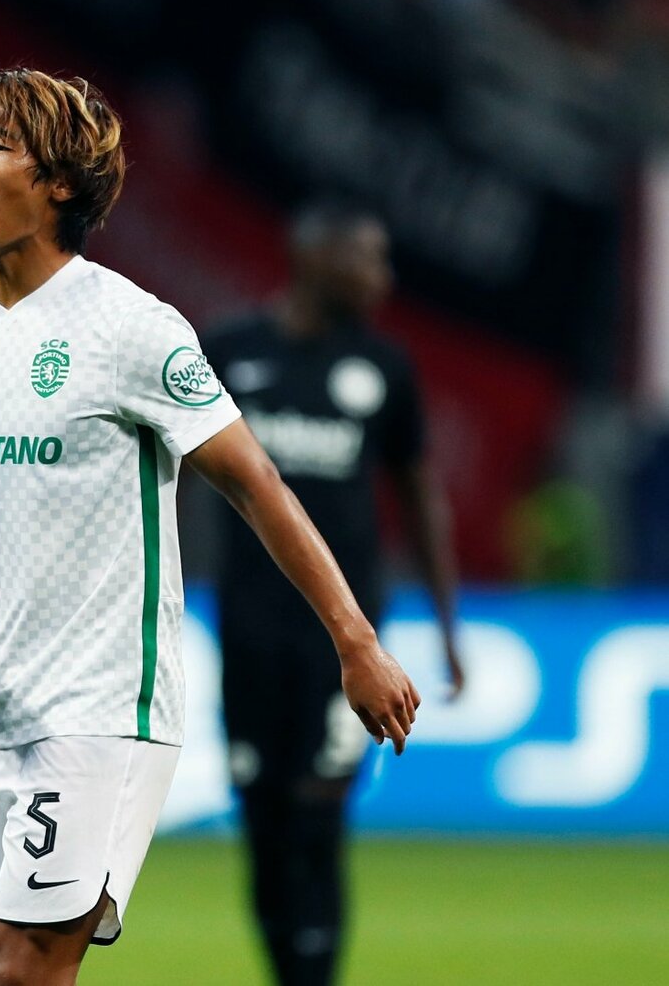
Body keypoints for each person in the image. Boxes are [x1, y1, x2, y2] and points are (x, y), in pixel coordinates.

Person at [0, 70, 419, 986]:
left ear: (59, 186)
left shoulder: (131, 327)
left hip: (104, 708)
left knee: (26, 969)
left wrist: (355, 641)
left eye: (0, 145)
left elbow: (256, 482)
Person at [202, 203, 464, 986]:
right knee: (263, 817)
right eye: (369, 258)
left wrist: (447, 627)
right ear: (316, 257)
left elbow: (418, 495)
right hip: (248, 629)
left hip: (345, 643)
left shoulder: (383, 367)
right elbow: (172, 476)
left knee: (318, 814)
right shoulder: (230, 354)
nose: (383, 277)